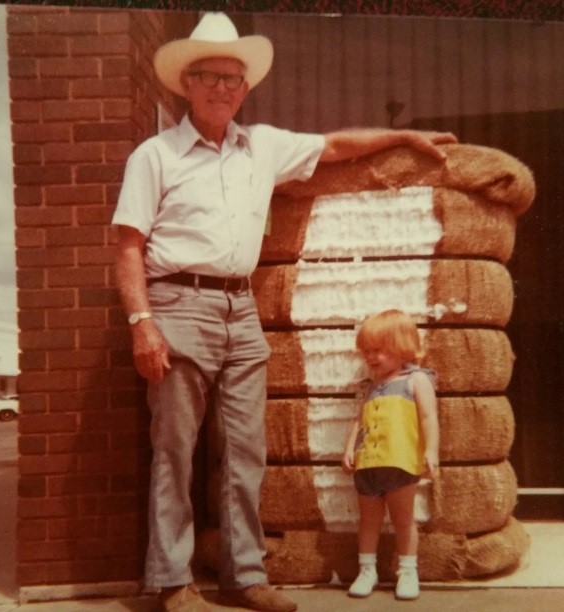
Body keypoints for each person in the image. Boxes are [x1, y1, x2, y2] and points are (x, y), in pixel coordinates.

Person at [113, 12, 455, 612]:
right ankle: (170, 583)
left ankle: (244, 577)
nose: (224, 88)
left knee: (246, 450)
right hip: (176, 303)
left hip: (240, 310)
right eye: (211, 77)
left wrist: (402, 137)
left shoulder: (263, 146)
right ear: (186, 84)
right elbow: (127, 246)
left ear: (246, 89)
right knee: (175, 447)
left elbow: (336, 145)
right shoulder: (155, 155)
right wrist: (143, 324)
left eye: (234, 79)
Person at [342, 309, 440, 601]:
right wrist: (349, 448)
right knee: (368, 520)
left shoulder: (416, 381)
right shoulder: (371, 387)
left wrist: (431, 450)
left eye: (378, 351)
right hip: (368, 463)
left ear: (401, 347)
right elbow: (359, 420)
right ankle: (367, 570)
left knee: (403, 519)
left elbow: (428, 417)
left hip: (400, 463)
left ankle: (408, 571)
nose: (371, 358)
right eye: (366, 352)